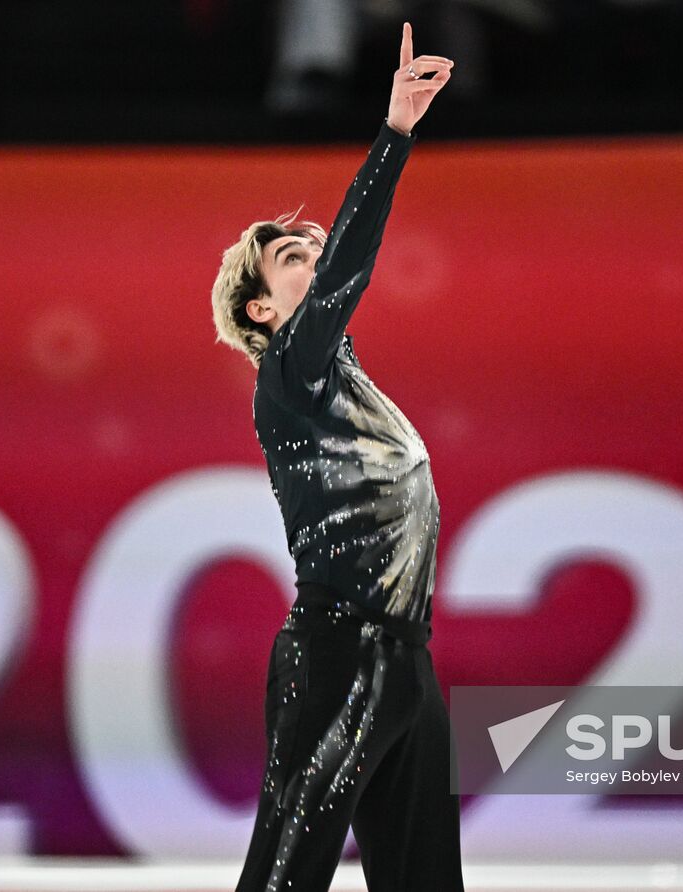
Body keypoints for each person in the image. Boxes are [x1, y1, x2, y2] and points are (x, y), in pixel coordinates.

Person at [209, 23, 464, 892]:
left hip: (407, 665)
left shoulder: (344, 379)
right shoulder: (290, 374)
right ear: (260, 313)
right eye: (292, 257)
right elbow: (354, 259)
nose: (314, 256)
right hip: (335, 657)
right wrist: (393, 135)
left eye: (313, 246)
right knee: (285, 879)